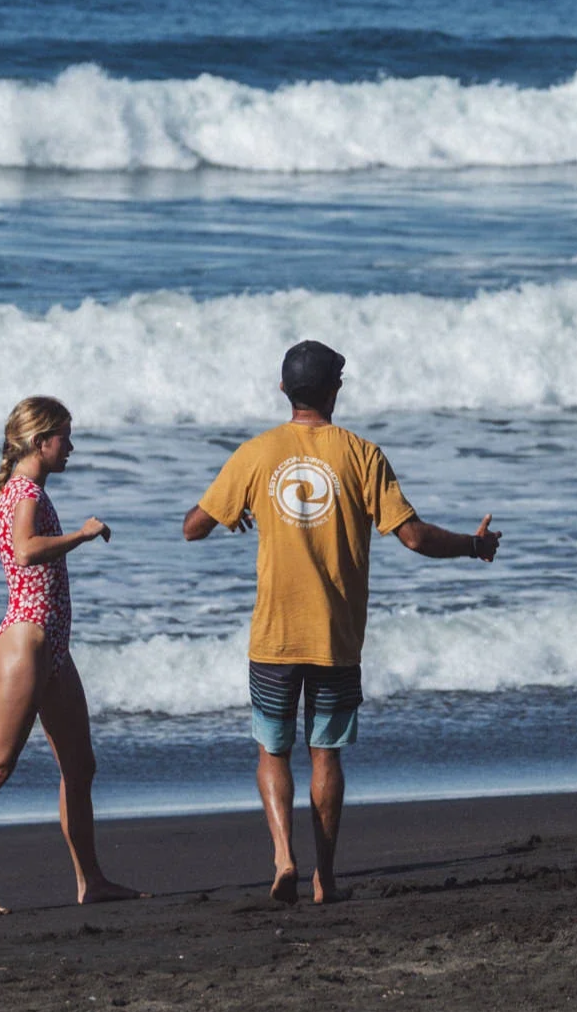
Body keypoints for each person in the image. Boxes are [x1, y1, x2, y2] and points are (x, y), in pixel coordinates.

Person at [183, 340, 502, 904]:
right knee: (324, 754)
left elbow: (193, 527)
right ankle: (324, 878)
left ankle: (283, 856)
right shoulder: (362, 454)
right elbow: (415, 536)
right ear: (336, 390)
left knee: (272, 751)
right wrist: (474, 546)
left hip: (274, 635)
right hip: (336, 635)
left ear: (284, 390)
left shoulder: (256, 454)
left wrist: (239, 508)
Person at [0, 396, 141, 916]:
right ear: (41, 442)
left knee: (81, 767)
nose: (71, 447)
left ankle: (92, 880)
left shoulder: (28, 489)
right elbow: (25, 549)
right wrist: (80, 535)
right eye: (65, 436)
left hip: (52, 648)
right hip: (24, 646)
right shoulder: (24, 491)